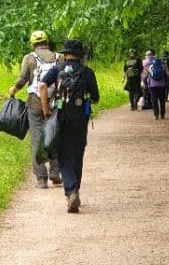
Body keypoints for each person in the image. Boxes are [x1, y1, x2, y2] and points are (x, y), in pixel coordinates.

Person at [40, 39, 100, 213]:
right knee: (77, 154)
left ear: (65, 54)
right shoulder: (87, 72)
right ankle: (75, 190)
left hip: (62, 118)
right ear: (80, 54)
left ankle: (71, 192)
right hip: (80, 119)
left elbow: (42, 86)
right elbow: (96, 99)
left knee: (65, 156)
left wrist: (46, 110)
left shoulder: (57, 69)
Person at [8, 30, 61, 189]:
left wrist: (13, 90)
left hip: (35, 103)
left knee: (36, 139)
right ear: (47, 42)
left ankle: (41, 179)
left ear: (33, 44)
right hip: (55, 103)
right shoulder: (59, 57)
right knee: (54, 136)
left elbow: (23, 78)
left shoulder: (29, 58)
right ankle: (55, 172)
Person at [145, 52, 169, 120]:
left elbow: (146, 76)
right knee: (162, 100)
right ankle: (162, 115)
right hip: (162, 85)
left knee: (154, 100)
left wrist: (146, 84)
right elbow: (168, 75)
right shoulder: (164, 66)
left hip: (152, 86)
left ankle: (156, 115)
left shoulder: (150, 66)